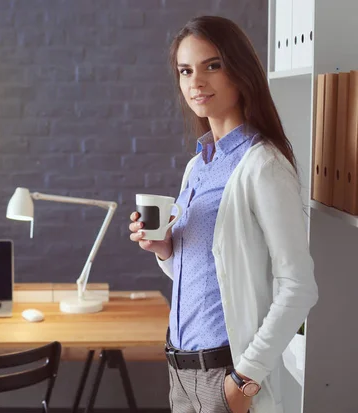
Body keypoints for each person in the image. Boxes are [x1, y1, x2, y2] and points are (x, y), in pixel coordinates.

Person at [129, 16, 318, 413]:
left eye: (212, 65)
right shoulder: (197, 166)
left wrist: (244, 380)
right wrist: (166, 249)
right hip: (181, 373)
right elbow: (207, 270)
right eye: (185, 70)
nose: (196, 82)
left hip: (227, 376)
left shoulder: (262, 164)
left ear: (240, 70)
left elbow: (299, 286)